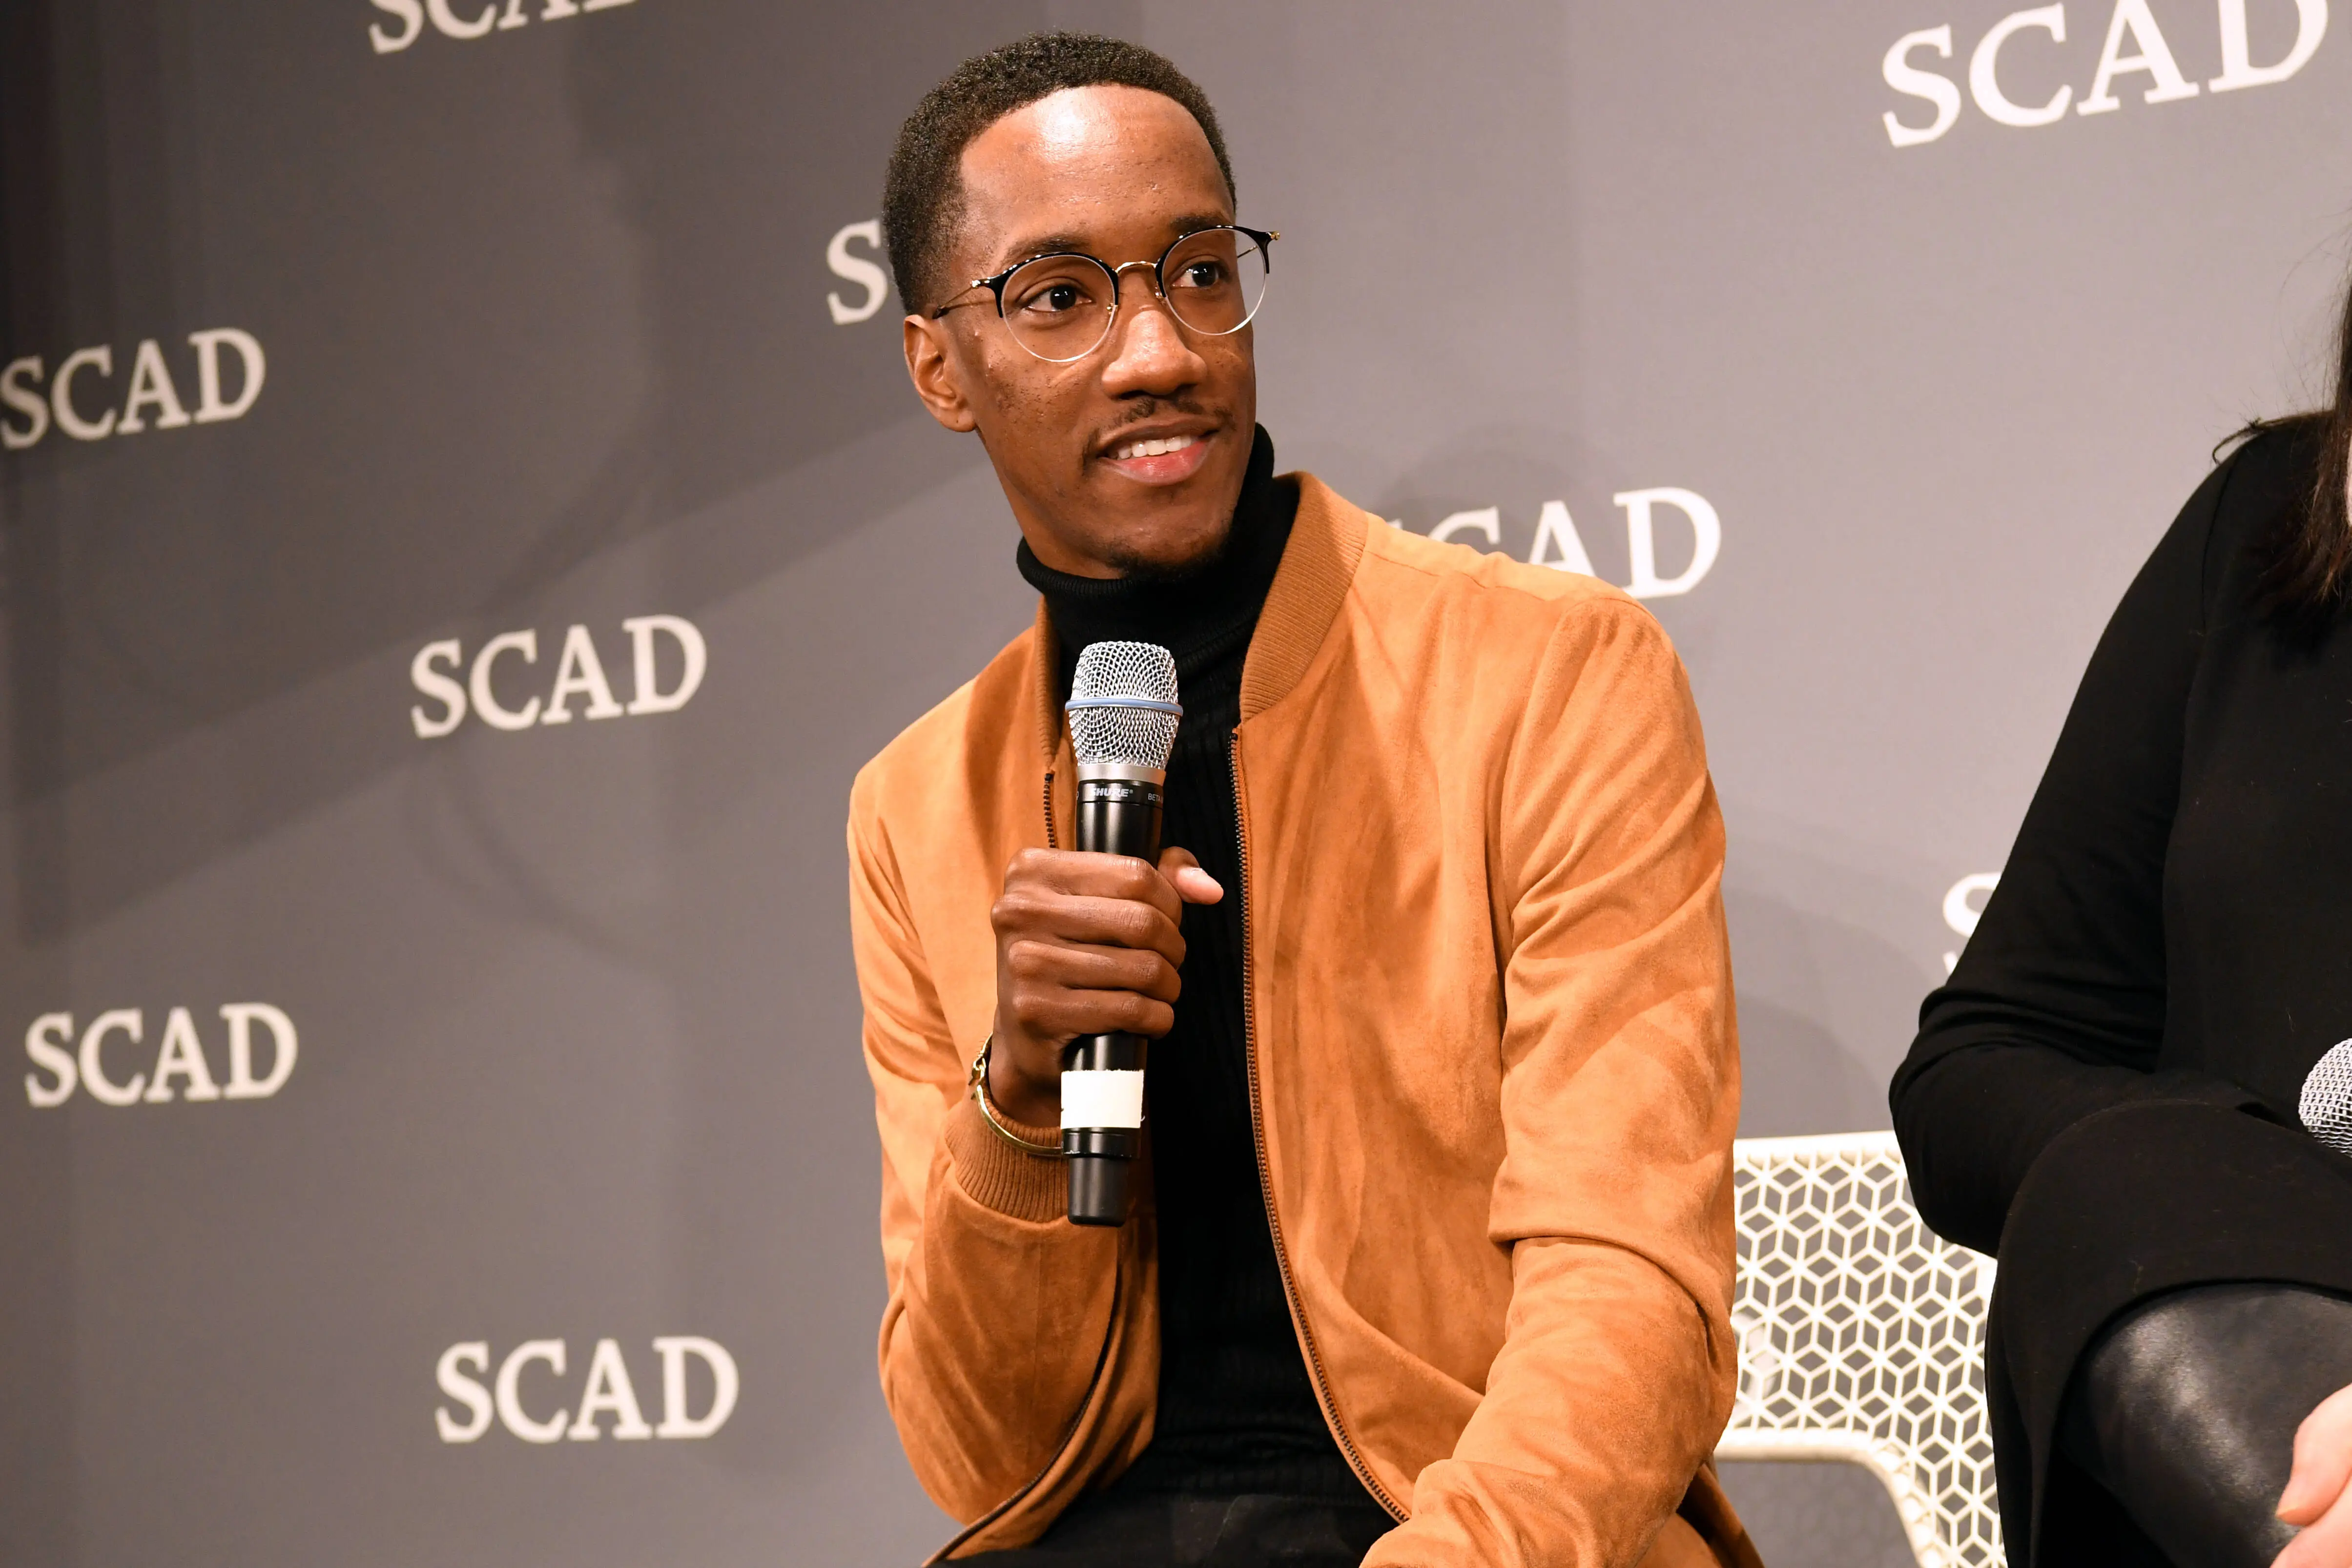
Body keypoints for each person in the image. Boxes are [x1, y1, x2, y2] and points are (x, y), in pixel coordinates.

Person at [849, 33, 1756, 1568]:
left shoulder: (1551, 671)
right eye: (1060, 297)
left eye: (1201, 272)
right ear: (942, 366)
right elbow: (980, 1456)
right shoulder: (915, 805)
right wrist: (1020, 1091)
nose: (1160, 351)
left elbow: (1630, 1292)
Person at [1892, 254, 2352, 1568]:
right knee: (2116, 1174)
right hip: (2269, 1322)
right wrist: (2233, 1175)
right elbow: (1977, 1073)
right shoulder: (2270, 527)